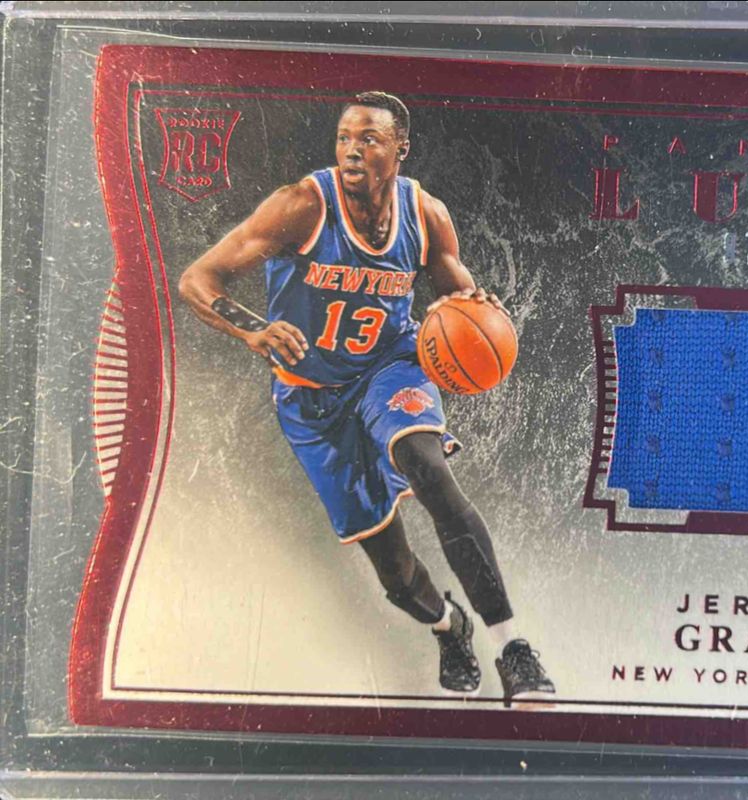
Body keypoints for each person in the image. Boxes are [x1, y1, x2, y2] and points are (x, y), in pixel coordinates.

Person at [178, 91, 554, 706]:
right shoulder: (302, 206)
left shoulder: (425, 214)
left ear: (401, 149)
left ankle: (514, 649)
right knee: (397, 574)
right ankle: (448, 627)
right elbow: (197, 278)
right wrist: (252, 328)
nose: (352, 150)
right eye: (344, 138)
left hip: (389, 368)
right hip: (312, 400)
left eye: (369, 139)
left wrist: (474, 307)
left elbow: (455, 289)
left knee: (429, 471)